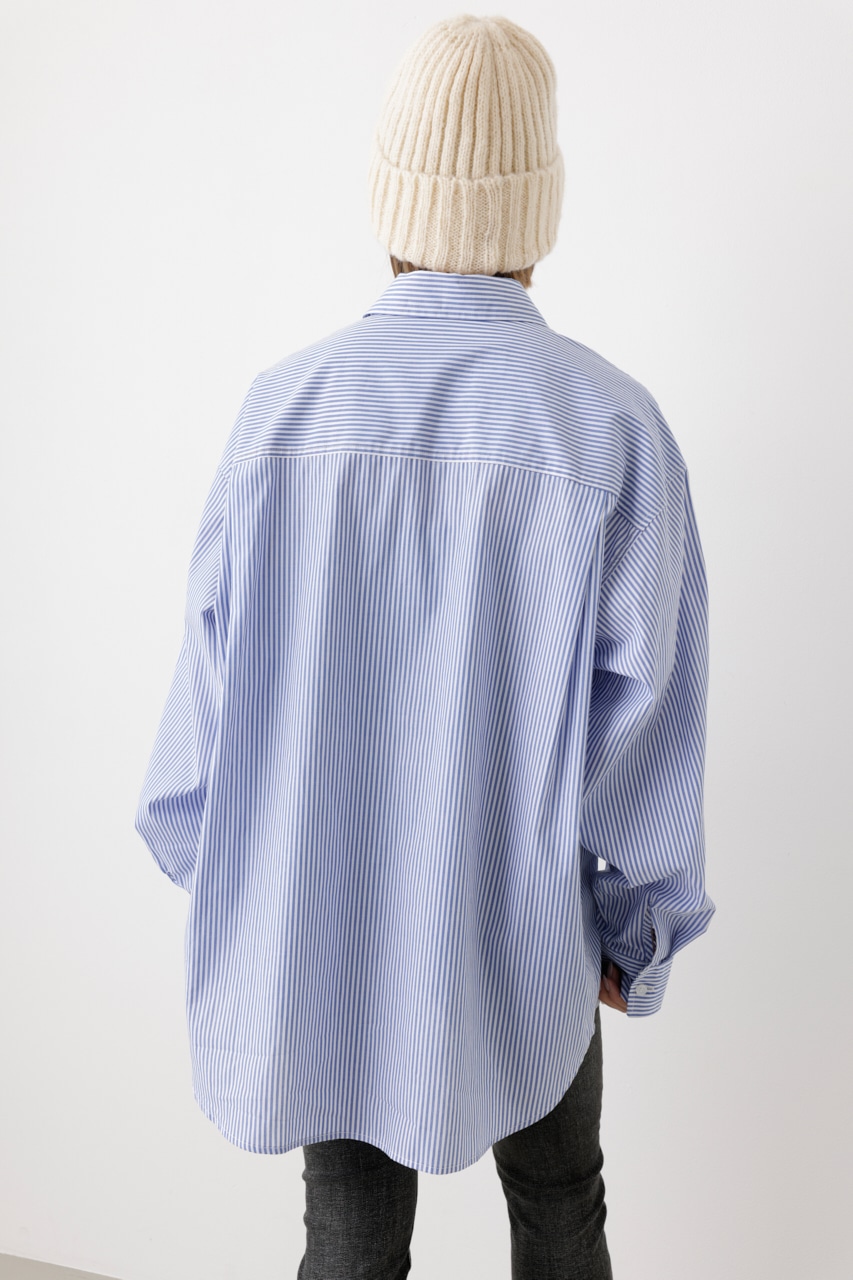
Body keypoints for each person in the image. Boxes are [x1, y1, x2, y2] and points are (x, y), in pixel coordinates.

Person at [134, 13, 715, 1279]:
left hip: (326, 939)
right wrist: (637, 932)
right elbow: (648, 729)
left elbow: (199, 732)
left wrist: (254, 878)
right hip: (526, 935)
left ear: (389, 195)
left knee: (347, 1241)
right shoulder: (610, 429)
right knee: (561, 1209)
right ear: (537, 209)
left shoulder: (282, 412)